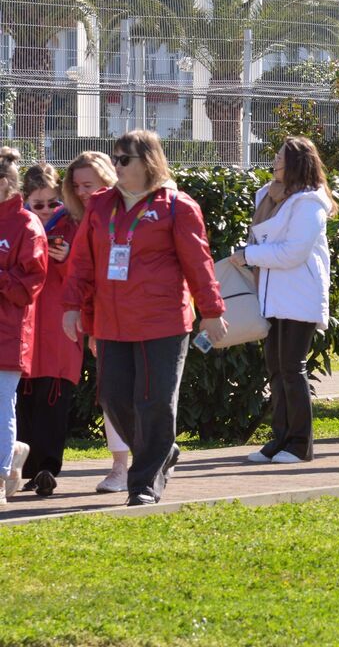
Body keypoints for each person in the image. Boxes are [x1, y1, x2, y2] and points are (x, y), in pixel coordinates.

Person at [61, 132, 227, 505]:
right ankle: (161, 451)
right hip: (112, 322)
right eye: (115, 158)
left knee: (154, 401)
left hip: (163, 322)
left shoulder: (177, 206)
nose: (116, 166)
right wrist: (73, 307)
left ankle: (144, 483)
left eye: (124, 159)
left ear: (147, 161)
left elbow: (198, 264)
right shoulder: (102, 206)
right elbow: (82, 263)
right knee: (114, 398)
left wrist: (212, 311)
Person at [233, 138, 335, 465]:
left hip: (299, 295)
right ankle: (279, 439)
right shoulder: (272, 195)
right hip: (274, 294)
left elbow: (294, 251)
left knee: (292, 368)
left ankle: (300, 444)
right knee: (276, 369)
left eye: (279, 159)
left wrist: (249, 255)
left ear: (295, 165)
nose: (274, 164)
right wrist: (252, 254)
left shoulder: (308, 203)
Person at [60, 151, 131, 493]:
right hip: (103, 320)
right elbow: (83, 278)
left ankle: (158, 449)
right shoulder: (73, 219)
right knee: (112, 394)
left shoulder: (136, 211)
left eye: (89, 184)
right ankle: (120, 467)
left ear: (108, 180)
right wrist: (89, 323)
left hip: (146, 317)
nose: (83, 192)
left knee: (149, 393)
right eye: (76, 186)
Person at [15, 165, 77, 496]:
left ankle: (47, 468)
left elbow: (85, 276)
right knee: (24, 401)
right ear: (25, 202)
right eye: (38, 204)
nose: (47, 211)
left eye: (53, 203)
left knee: (53, 401)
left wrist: (67, 258)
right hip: (23, 329)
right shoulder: (20, 226)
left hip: (58, 331)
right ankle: (26, 467)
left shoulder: (72, 226)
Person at [0, 150, 46, 505]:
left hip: (7, 333)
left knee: (2, 405)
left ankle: (1, 478)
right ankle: (12, 451)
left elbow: (29, 286)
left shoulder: (27, 226)